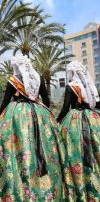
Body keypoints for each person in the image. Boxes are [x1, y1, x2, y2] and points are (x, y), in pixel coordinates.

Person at [0, 54, 69, 201]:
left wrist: (1, 119)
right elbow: (46, 100)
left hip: (17, 116)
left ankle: (20, 181)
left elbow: (5, 102)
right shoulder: (38, 77)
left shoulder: (13, 80)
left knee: (19, 147)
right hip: (39, 113)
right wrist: (43, 116)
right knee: (43, 147)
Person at [57, 61, 100, 201]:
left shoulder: (71, 87)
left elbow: (65, 109)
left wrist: (56, 122)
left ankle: (80, 185)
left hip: (75, 123)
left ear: (73, 73)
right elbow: (97, 104)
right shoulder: (91, 87)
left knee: (75, 153)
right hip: (93, 119)